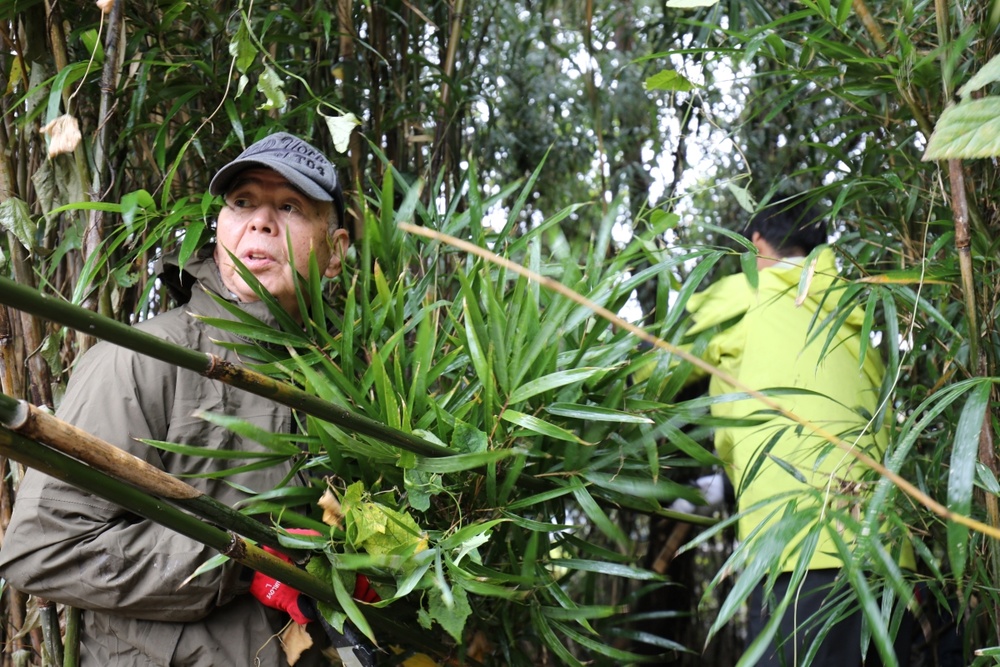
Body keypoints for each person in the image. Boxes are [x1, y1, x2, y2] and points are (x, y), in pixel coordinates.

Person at [0, 131, 357, 666]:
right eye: (242, 203)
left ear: (336, 251)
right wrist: (243, 561)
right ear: (221, 232)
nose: (260, 221)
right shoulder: (145, 360)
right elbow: (42, 551)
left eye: (290, 206)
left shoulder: (348, 377)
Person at [681, 197, 915, 666]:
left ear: (755, 244)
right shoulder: (855, 308)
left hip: (794, 549)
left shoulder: (749, 292)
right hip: (887, 556)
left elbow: (649, 369)